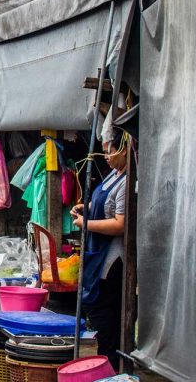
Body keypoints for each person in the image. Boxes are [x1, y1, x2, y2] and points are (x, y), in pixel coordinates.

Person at [71, 131, 128, 368]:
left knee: (101, 308)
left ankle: (110, 360)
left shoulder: (127, 182)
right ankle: (107, 358)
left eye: (109, 151)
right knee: (95, 304)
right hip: (97, 250)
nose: (105, 156)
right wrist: (88, 206)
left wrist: (86, 223)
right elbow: (103, 202)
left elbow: (119, 224)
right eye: (104, 151)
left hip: (112, 257)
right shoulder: (114, 174)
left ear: (124, 149)